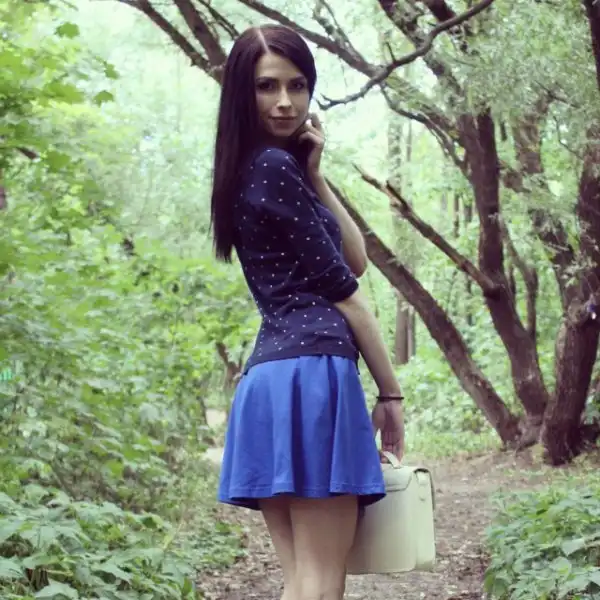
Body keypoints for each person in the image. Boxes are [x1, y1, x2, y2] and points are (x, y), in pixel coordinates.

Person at [210, 23, 405, 600]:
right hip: (312, 378)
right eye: (267, 86)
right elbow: (349, 293)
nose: (286, 102)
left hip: (270, 382)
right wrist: (391, 395)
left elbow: (358, 257)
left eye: (297, 86)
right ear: (241, 92)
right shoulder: (272, 165)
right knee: (321, 582)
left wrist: (316, 174)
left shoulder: (253, 167)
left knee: (302, 579)